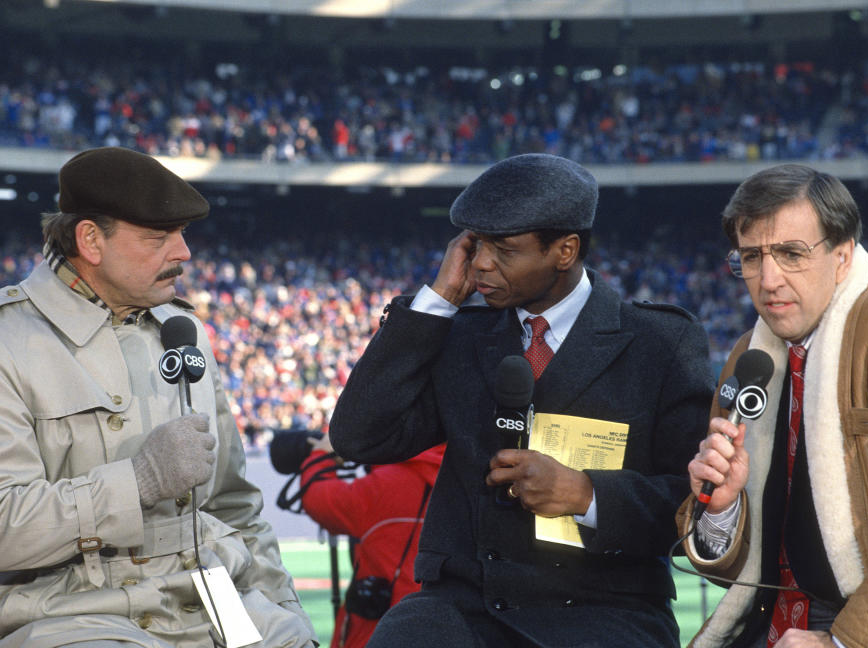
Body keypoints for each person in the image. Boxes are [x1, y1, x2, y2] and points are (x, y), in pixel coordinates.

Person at [329, 153, 715, 647]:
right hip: (462, 608)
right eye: (476, 245)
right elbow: (359, 435)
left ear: (565, 250)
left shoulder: (660, 342)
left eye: (505, 249)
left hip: (606, 609)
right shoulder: (459, 334)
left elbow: (692, 504)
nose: (483, 263)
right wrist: (436, 302)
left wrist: (586, 495)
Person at [0, 147, 317, 647]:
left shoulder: (182, 329)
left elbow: (235, 503)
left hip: (212, 598)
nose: (184, 253)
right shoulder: (8, 341)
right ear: (90, 240)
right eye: (158, 238)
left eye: (183, 234)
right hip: (75, 611)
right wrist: (140, 480)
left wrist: (284, 608)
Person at [678, 164, 868, 648]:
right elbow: (736, 575)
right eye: (751, 257)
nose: (769, 280)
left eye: (791, 254)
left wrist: (845, 642)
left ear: (843, 257)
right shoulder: (748, 358)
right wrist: (723, 509)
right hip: (767, 625)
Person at [296, 435, 445, 648]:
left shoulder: (389, 483)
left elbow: (318, 499)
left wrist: (323, 455)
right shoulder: (476, 479)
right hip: (455, 627)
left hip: (383, 630)